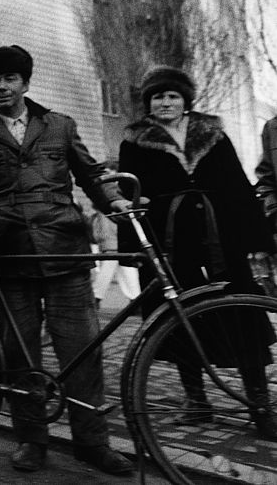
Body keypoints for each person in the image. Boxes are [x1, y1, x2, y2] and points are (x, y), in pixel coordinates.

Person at [0, 45, 133, 475]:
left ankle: (92, 443)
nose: (2, 87)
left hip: (65, 254)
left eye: (10, 78)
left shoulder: (60, 126)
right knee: (19, 356)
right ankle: (31, 440)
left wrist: (114, 201)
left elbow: (91, 175)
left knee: (81, 353)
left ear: (25, 82)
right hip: (10, 258)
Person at [119, 65, 277, 439]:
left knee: (243, 313)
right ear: (148, 103)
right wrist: (135, 251)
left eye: (172, 96)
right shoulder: (135, 141)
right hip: (169, 244)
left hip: (222, 237)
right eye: (158, 97)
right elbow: (130, 197)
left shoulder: (213, 135)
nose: (165, 103)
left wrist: (258, 241)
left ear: (186, 100)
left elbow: (237, 186)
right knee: (180, 319)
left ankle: (260, 406)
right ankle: (196, 402)